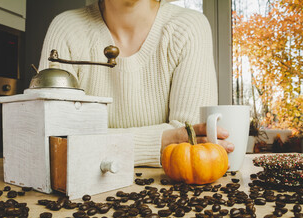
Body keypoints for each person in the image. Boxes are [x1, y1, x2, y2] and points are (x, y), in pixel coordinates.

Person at [39, 0, 234, 167]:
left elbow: (190, 142)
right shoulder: (66, 28)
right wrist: (162, 140)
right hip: (84, 193)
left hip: (171, 195)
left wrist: (90, 143)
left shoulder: (190, 28)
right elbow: (55, 145)